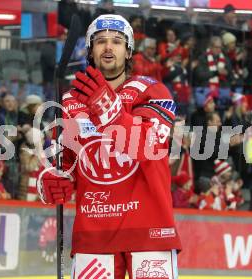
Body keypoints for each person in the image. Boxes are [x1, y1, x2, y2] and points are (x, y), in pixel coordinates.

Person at [37, 14, 181, 279]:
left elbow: (150, 144)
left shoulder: (154, 91)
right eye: (100, 41)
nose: (108, 47)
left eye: (116, 41)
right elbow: (67, 162)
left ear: (128, 51)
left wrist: (109, 108)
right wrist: (53, 179)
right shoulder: (69, 101)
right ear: (90, 50)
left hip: (149, 227)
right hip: (95, 230)